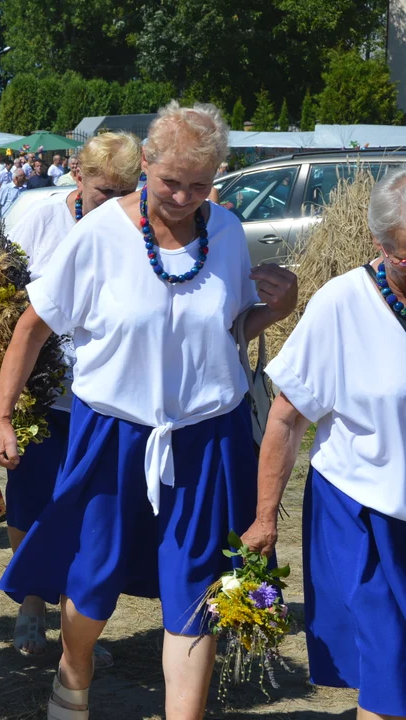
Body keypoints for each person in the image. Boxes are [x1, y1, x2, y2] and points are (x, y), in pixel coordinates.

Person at [0, 102, 299, 719]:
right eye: (170, 182)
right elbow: (32, 326)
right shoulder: (100, 234)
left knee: (197, 583)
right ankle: (73, 674)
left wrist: (280, 306)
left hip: (207, 437)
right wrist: (2, 415)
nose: (184, 197)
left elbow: (231, 327)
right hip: (112, 435)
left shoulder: (228, 233)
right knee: (93, 577)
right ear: (146, 165)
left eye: (200, 184)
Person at [241, 170, 406, 720]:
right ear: (381, 247)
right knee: (388, 663)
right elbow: (286, 420)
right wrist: (265, 519)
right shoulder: (342, 304)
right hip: (362, 512)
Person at [3, 133, 142, 660]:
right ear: (77, 177)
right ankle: (30, 604)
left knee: (86, 511)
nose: (117, 202)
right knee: (33, 497)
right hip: (44, 393)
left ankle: (74, 622)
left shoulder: (135, 227)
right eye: (106, 191)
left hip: (101, 398)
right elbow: (0, 294)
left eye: (128, 190)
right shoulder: (39, 219)